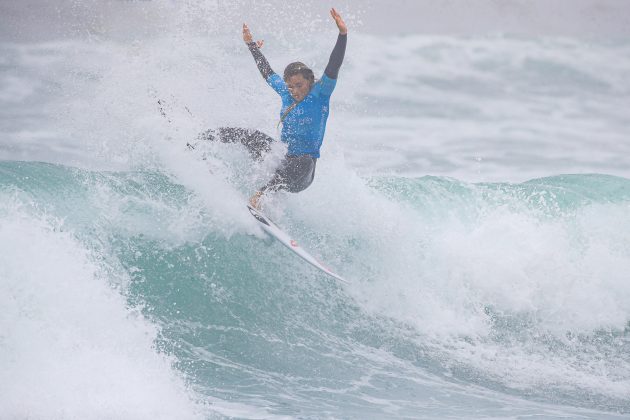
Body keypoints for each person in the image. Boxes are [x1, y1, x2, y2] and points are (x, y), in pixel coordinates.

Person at [243, 8, 347, 209]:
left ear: (310, 82)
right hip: (282, 161)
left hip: (302, 175)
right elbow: (267, 72)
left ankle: (261, 195)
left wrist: (343, 35)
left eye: (299, 85)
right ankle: (200, 143)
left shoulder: (321, 94)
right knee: (248, 135)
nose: (294, 91)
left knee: (303, 161)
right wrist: (251, 45)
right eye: (290, 86)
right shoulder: (285, 92)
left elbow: (334, 65)